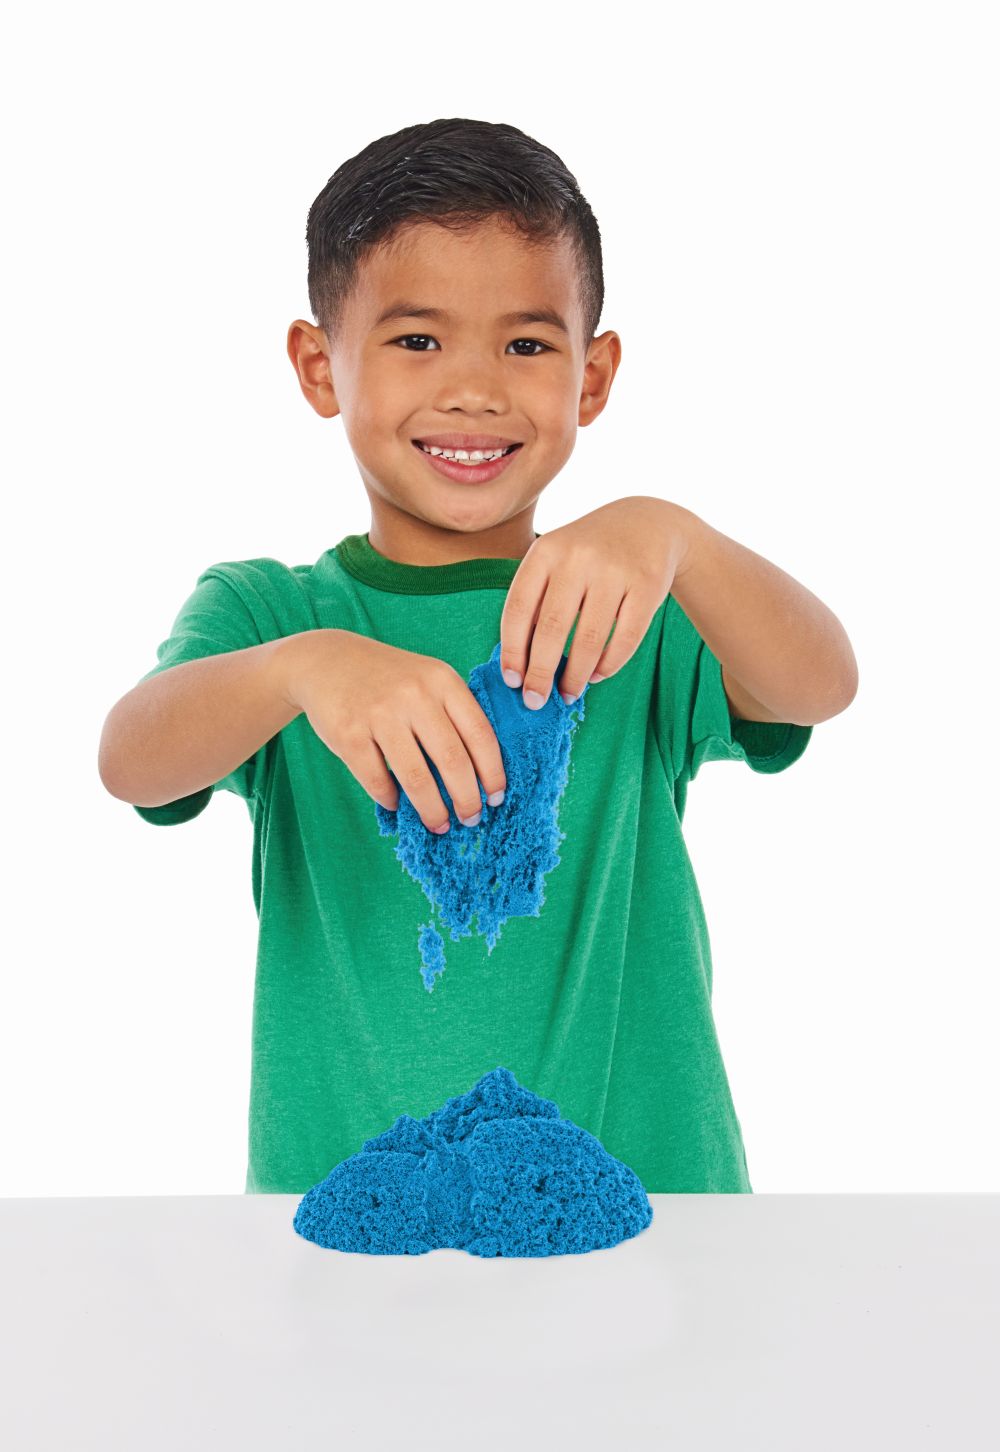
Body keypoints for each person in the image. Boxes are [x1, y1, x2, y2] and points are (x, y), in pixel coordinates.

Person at [98, 118, 858, 1196]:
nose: (474, 391)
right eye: (417, 341)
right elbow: (133, 760)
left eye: (526, 346)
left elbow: (820, 684)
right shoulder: (273, 614)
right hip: (352, 1214)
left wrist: (674, 535)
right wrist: (302, 669)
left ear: (592, 378)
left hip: (650, 1207)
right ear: (319, 366)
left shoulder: (630, 604)